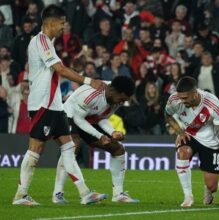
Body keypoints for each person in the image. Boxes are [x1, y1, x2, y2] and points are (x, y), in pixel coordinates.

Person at [12, 5, 107, 206]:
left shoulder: (49, 42)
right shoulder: (41, 41)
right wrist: (89, 81)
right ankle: (21, 195)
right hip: (42, 103)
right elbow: (59, 69)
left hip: (55, 105)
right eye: (62, 22)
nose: (64, 26)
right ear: (52, 22)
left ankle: (85, 193)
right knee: (36, 148)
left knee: (69, 146)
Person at [52, 76, 139, 204]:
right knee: (72, 147)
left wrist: (112, 132)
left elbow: (102, 118)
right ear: (112, 90)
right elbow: (78, 120)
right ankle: (59, 193)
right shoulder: (93, 94)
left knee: (117, 149)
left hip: (87, 118)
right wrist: (100, 136)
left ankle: (118, 194)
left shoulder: (116, 98)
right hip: (69, 114)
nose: (120, 102)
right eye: (121, 99)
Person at [165, 76, 219, 208]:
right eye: (180, 97)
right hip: (188, 135)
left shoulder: (213, 105)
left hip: (210, 141)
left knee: (212, 186)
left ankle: (209, 190)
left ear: (195, 93)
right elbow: (167, 115)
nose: (182, 101)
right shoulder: (174, 99)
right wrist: (179, 132)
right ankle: (188, 196)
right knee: (183, 152)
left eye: (185, 98)